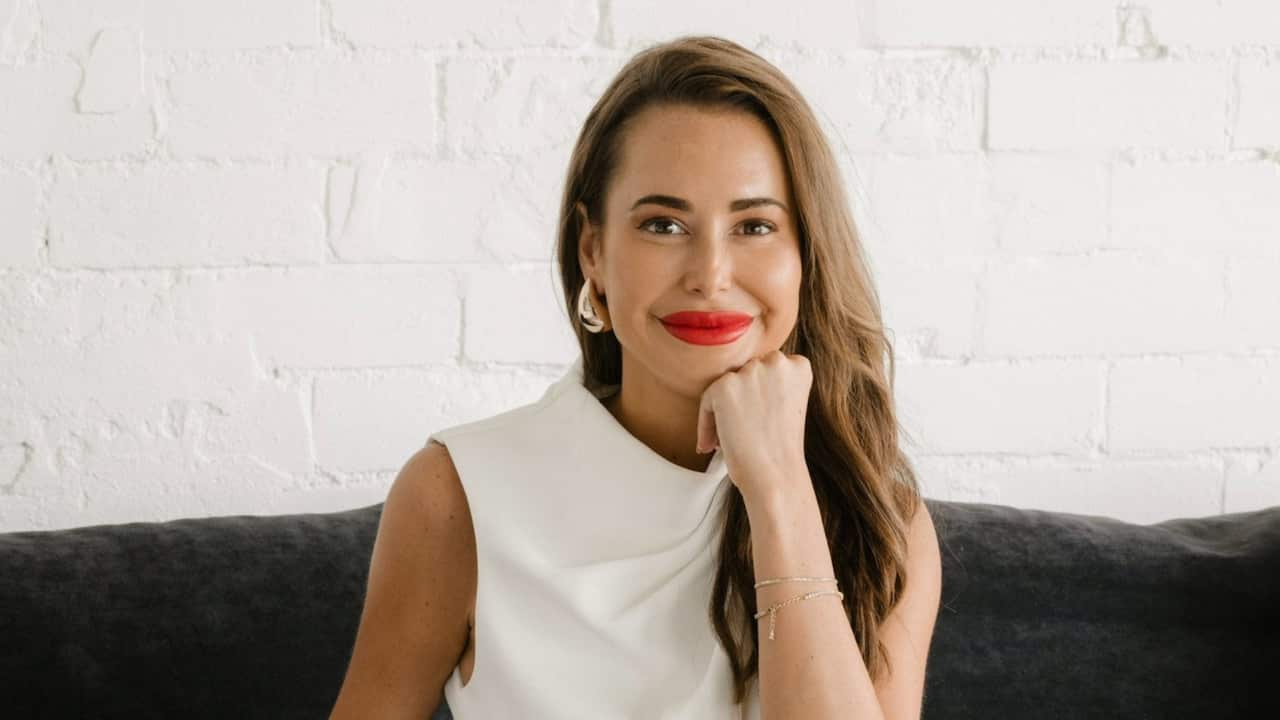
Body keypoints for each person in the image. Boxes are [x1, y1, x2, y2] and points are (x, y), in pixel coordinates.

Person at [330, 34, 941, 720]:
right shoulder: (457, 495)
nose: (710, 275)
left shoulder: (880, 518)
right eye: (663, 225)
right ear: (593, 250)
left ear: (806, 254)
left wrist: (779, 490)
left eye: (754, 227)